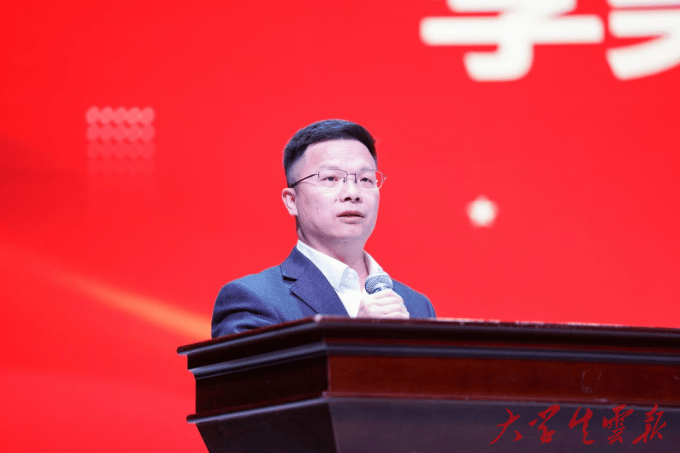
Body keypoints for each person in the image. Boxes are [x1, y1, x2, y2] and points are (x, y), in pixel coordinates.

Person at [211, 119, 436, 337]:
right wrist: (357, 337)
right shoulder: (253, 299)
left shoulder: (416, 306)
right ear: (292, 201)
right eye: (330, 178)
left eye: (365, 179)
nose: (353, 193)